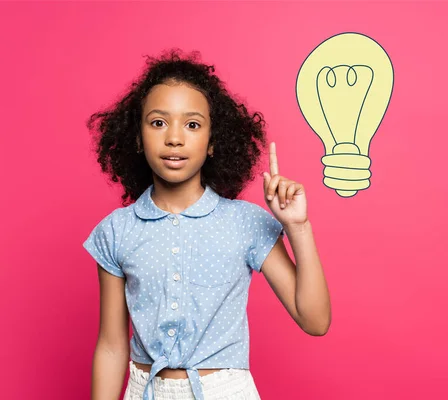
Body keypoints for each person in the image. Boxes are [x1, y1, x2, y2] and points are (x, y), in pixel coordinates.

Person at [83, 48, 331, 400]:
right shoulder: (116, 231)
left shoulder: (245, 223)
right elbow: (111, 346)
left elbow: (315, 321)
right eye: (158, 122)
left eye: (193, 124)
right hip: (144, 390)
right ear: (137, 138)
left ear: (213, 142)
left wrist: (298, 227)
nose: (174, 138)